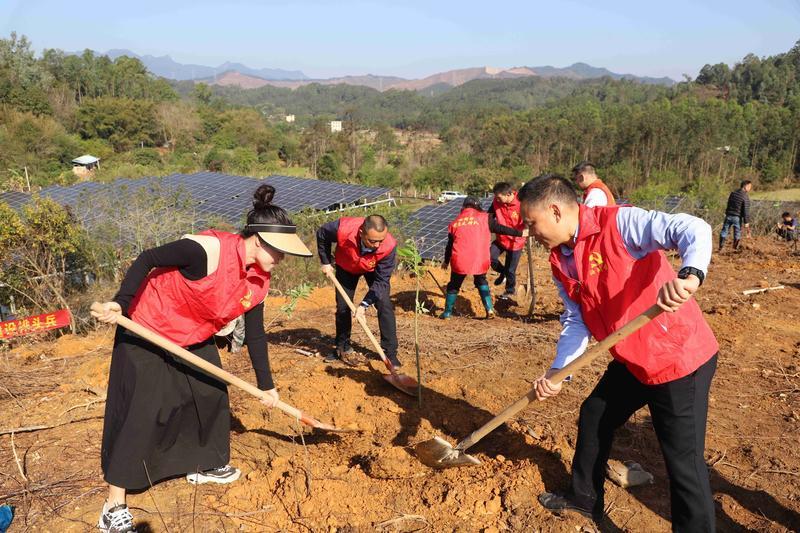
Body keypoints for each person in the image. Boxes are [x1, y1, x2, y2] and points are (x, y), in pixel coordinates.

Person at [90, 185, 312, 533]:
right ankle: (113, 505)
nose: (282, 259)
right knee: (142, 410)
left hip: (192, 333)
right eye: (278, 251)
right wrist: (121, 302)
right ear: (257, 240)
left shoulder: (259, 281)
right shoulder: (207, 250)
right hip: (147, 326)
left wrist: (267, 386)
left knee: (210, 392)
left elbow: (255, 334)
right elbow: (148, 258)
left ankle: (204, 464)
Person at [518, 174, 719, 531]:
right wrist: (558, 372)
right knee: (595, 414)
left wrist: (690, 276)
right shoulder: (560, 259)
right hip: (634, 357)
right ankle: (584, 499)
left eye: (532, 223)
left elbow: (693, 228)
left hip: (678, 357)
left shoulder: (619, 223)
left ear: (555, 210)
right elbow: (576, 319)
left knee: (683, 463)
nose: (530, 233)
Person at [316, 214, 400, 366]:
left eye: (380, 241)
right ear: (361, 233)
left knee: (384, 304)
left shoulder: (388, 246)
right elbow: (322, 233)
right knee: (343, 307)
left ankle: (390, 353)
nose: (377, 245)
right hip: (346, 266)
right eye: (372, 241)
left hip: (373, 269)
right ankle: (342, 347)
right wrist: (325, 261)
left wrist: (363, 305)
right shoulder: (343, 229)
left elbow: (381, 281)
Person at [441, 196, 495, 319]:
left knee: (454, 285)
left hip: (460, 259)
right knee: (481, 280)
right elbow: (501, 229)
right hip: (479, 259)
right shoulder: (485, 218)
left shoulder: (455, 223)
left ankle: (447, 313)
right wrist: (520, 233)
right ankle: (490, 309)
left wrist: (446, 261)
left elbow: (449, 246)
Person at [488, 182, 529, 300]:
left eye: (499, 197)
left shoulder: (522, 203)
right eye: (496, 197)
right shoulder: (496, 202)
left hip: (516, 242)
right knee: (489, 257)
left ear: (509, 194)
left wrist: (529, 228)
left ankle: (510, 291)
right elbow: (489, 217)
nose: (497, 200)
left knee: (511, 269)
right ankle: (503, 272)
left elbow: (531, 218)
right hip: (501, 239)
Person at [720, 180, 752, 251]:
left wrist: (727, 213)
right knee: (737, 233)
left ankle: (721, 248)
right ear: (745, 186)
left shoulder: (733, 193)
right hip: (737, 217)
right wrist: (746, 222)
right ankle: (734, 249)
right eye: (749, 187)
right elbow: (746, 211)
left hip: (728, 215)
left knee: (724, 231)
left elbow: (728, 204)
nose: (750, 188)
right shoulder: (745, 197)